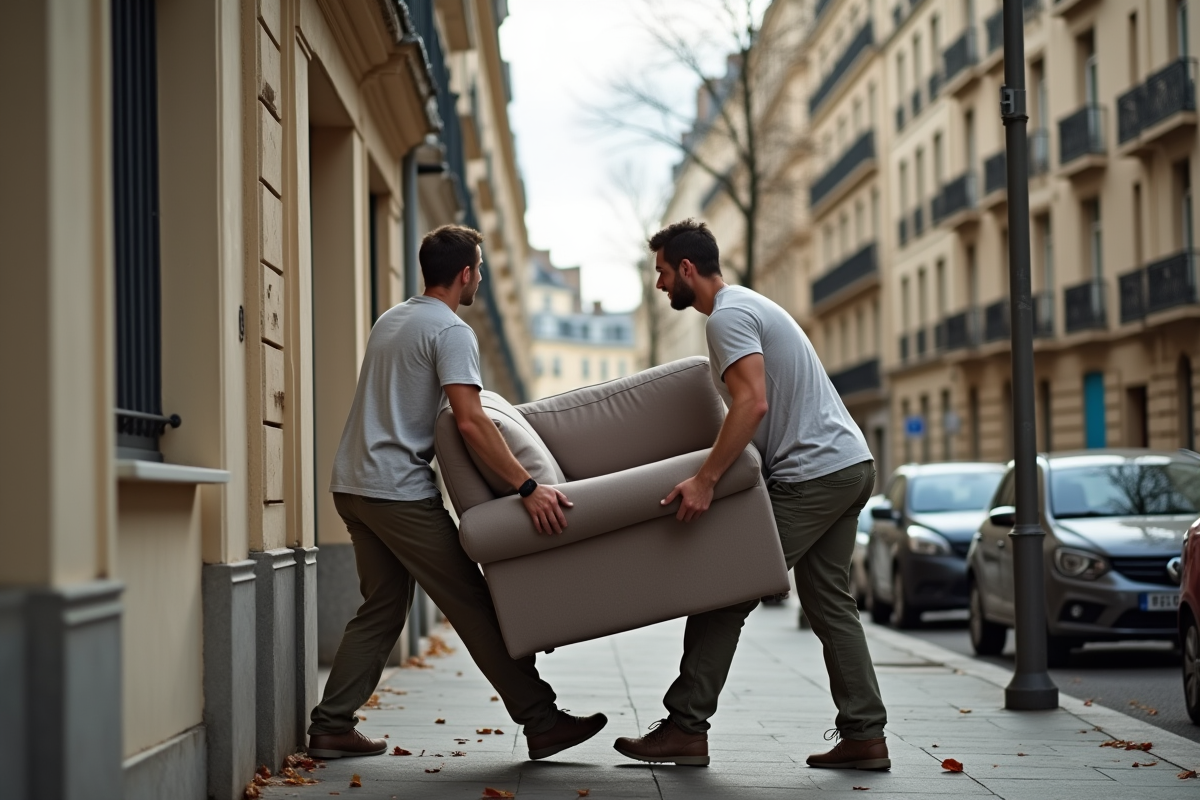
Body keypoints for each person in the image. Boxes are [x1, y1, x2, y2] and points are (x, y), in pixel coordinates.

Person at [307, 224, 607, 761]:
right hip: (396, 490)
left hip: (352, 484)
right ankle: (541, 720)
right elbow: (470, 421)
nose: (481, 278)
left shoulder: (391, 319)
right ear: (465, 273)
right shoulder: (450, 331)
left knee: (380, 607)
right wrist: (527, 486)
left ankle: (331, 725)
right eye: (480, 269)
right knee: (472, 604)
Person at [613, 219, 889, 770]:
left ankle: (686, 728)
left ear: (688, 268)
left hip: (815, 474)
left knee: (725, 591)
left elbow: (752, 404)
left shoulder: (729, 316)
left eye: (664, 273)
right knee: (831, 603)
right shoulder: (747, 307)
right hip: (848, 465)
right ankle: (865, 734)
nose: (662, 285)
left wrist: (706, 480)